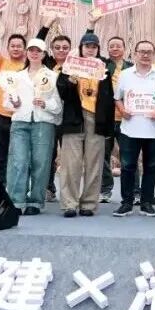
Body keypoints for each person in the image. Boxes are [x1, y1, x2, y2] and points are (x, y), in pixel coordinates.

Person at [112, 40, 155, 218]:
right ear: (135, 54)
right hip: (130, 129)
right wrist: (122, 110)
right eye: (142, 51)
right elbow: (117, 98)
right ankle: (126, 203)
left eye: (149, 52)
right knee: (128, 167)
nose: (145, 55)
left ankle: (146, 203)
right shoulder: (125, 75)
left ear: (153, 54)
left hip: (154, 129)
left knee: (151, 167)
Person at [2, 39, 63, 215]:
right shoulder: (16, 76)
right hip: (20, 121)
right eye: (31, 50)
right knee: (18, 161)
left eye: (38, 51)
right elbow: (7, 102)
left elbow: (58, 106)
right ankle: (16, 200)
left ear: (44, 54)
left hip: (43, 122)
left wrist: (45, 104)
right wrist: (14, 103)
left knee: (41, 162)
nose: (34, 53)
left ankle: (36, 201)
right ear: (27, 53)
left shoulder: (52, 76)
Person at [57, 33, 114, 217]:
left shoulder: (104, 70)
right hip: (74, 119)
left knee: (94, 164)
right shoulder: (69, 67)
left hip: (96, 120)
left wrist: (108, 128)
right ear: (81, 48)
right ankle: (69, 204)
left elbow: (108, 100)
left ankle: (89, 204)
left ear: (98, 49)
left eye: (94, 46)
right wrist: (70, 81)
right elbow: (62, 92)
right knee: (70, 164)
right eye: (87, 46)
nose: (90, 49)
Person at [0, 18, 27, 184]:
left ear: (24, 49)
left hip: (20, 117)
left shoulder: (28, 66)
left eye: (19, 46)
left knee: (19, 156)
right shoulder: (2, 62)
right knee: (1, 156)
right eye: (13, 45)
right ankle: (0, 186)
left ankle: (17, 188)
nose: (16, 48)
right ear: (8, 48)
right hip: (1, 117)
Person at [100, 36, 132, 204]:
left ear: (124, 48)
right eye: (111, 46)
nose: (115, 48)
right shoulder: (102, 65)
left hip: (127, 118)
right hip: (106, 119)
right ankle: (105, 190)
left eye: (118, 46)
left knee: (129, 156)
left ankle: (134, 191)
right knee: (102, 155)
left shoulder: (132, 67)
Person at [45, 34, 72, 201]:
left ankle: (69, 192)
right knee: (48, 153)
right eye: (57, 48)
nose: (61, 50)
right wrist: (46, 25)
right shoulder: (47, 64)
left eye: (65, 48)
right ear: (51, 50)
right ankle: (48, 187)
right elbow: (38, 41)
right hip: (49, 115)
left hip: (69, 116)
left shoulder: (75, 66)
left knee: (69, 156)